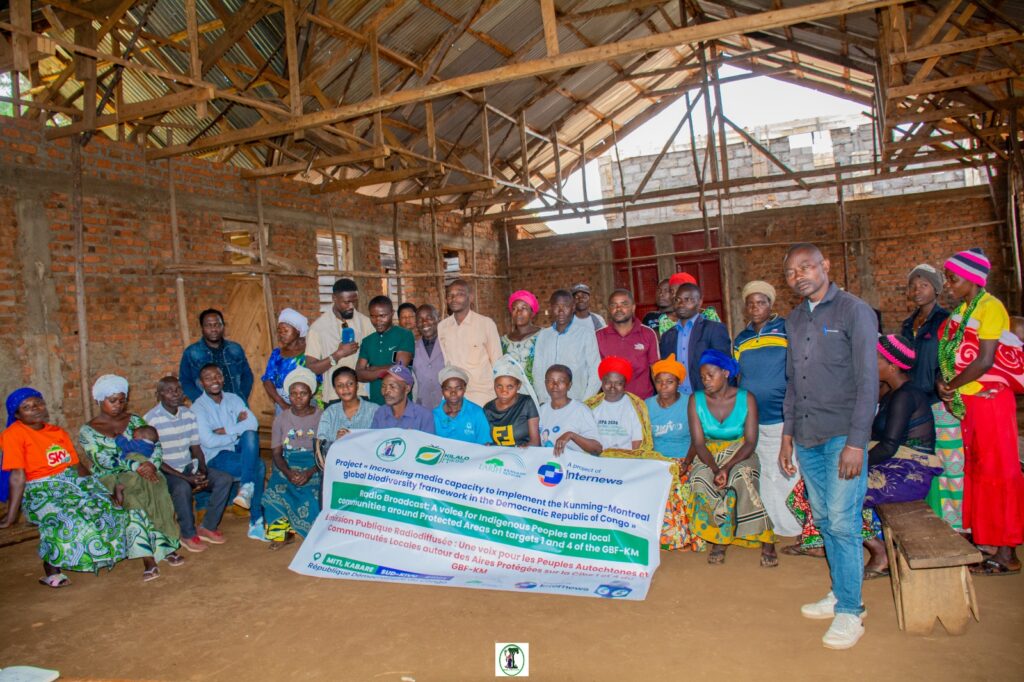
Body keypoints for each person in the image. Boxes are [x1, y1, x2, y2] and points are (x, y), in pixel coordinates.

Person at [778, 243, 878, 650]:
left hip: (842, 435)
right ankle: (841, 592)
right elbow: (792, 384)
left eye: (806, 267)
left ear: (826, 266)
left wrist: (856, 442)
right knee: (823, 518)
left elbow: (869, 382)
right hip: (806, 435)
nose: (799, 275)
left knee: (842, 521)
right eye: (790, 273)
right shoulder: (794, 318)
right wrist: (787, 436)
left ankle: (851, 612)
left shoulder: (854, 311)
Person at [785, 335, 942, 577]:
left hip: (908, 475)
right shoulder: (891, 393)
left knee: (836, 492)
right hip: (891, 466)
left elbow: (889, 447)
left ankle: (879, 552)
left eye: (874, 360)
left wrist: (849, 463)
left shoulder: (905, 396)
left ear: (892, 366)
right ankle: (827, 542)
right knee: (811, 487)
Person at [936, 248, 1024, 576]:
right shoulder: (961, 311)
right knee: (977, 471)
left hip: (991, 402)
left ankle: (1007, 552)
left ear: (973, 279)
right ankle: (987, 541)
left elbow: (985, 359)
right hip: (970, 402)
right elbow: (949, 355)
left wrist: (952, 384)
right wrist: (944, 384)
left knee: (1000, 472)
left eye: (953, 278)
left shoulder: (991, 308)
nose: (948, 284)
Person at [1, 388, 128, 587]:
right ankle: (51, 571)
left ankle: (99, 557)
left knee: (108, 509)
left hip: (70, 485)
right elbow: (17, 476)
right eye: (26, 407)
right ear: (17, 414)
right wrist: (11, 516)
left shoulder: (56, 432)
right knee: (69, 518)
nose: (35, 409)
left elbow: (76, 465)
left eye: (38, 404)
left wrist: (99, 490)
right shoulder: (13, 434)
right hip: (40, 491)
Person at [78, 375, 184, 581]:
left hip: (147, 469)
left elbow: (156, 444)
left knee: (158, 494)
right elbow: (102, 460)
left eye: (121, 400)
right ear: (99, 400)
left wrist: (152, 464)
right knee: (133, 500)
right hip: (112, 476)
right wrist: (136, 465)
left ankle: (167, 547)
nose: (118, 405)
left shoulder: (134, 420)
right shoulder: (88, 431)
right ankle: (148, 559)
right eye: (112, 400)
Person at [687, 349, 776, 567]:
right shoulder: (695, 400)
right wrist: (716, 469)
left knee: (740, 477)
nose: (706, 381)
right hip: (709, 454)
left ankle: (766, 536)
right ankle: (721, 537)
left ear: (726, 373)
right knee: (699, 479)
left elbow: (750, 442)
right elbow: (699, 443)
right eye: (703, 377)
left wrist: (726, 467)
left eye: (711, 375)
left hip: (740, 453)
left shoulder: (747, 398)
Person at [733, 280, 801, 537]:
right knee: (766, 472)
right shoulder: (741, 339)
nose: (755, 307)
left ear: (771, 304)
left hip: (784, 416)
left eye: (761, 302)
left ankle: (796, 527)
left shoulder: (786, 329)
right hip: (754, 418)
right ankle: (772, 523)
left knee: (789, 470)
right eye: (750, 303)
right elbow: (737, 378)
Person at [898, 264, 960, 530]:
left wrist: (944, 384)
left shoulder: (946, 321)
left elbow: (955, 359)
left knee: (948, 464)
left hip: (938, 402)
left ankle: (955, 525)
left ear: (936, 288)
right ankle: (931, 518)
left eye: (923, 285)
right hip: (914, 403)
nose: (917, 290)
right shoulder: (907, 324)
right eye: (913, 285)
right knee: (922, 462)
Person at [145, 376, 233, 553]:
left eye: (178, 389)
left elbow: (195, 447)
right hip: (166, 471)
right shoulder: (151, 420)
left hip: (187, 467)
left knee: (224, 479)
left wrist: (202, 469)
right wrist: (187, 478)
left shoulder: (188, 414)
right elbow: (155, 460)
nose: (175, 394)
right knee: (182, 488)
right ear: (159, 394)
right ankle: (187, 534)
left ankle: (207, 526)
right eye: (169, 390)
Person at [192, 364, 266, 541]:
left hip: (239, 449)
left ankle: (246, 489)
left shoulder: (234, 399)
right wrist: (235, 432)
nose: (214, 381)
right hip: (216, 457)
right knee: (259, 465)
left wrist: (224, 430)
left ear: (223, 378)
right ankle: (256, 520)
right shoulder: (198, 408)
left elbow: (253, 424)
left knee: (250, 434)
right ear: (202, 383)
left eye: (217, 376)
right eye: (208, 378)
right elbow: (208, 442)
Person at [263, 368, 322, 548]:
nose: (298, 398)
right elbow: (276, 453)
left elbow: (325, 451)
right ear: (288, 395)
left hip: (315, 464)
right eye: (293, 394)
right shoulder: (281, 419)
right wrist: (288, 472)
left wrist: (309, 472)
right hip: (287, 463)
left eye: (303, 393)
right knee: (274, 491)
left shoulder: (321, 416)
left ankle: (315, 535)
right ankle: (281, 535)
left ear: (310, 393)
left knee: (310, 495)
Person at [437, 279, 503, 406]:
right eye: (450, 295)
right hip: (453, 396)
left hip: (482, 395)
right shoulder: (442, 327)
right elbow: (446, 362)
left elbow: (497, 363)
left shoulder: (486, 324)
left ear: (470, 297)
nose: (454, 298)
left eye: (460, 294)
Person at [658, 281, 731, 394]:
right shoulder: (668, 336)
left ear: (699, 302)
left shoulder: (714, 329)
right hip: (678, 400)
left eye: (688, 300)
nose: (681, 304)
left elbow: (726, 367)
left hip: (707, 398)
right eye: (677, 300)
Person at [306, 278, 370, 404]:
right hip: (333, 397)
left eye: (354, 302)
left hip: (361, 394)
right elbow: (312, 367)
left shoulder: (366, 323)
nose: (351, 306)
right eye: (346, 302)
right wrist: (338, 354)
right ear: (334, 298)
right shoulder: (318, 328)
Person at [532, 289, 601, 402]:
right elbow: (537, 371)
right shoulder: (543, 336)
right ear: (551, 308)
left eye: (565, 306)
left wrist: (585, 402)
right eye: (556, 306)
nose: (560, 311)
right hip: (549, 403)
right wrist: (543, 399)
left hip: (577, 401)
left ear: (573, 307)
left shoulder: (586, 334)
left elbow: (595, 371)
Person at [179, 308, 254, 403]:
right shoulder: (191, 352)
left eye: (217, 324)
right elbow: (185, 381)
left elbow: (247, 376)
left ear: (223, 326)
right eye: (208, 325)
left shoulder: (235, 349)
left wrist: (240, 398)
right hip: (207, 409)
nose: (214, 329)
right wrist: (201, 402)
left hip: (236, 405)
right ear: (202, 328)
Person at [596, 289, 659, 399]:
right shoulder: (598, 336)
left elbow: (656, 371)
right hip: (610, 403)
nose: (618, 309)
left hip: (643, 401)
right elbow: (594, 373)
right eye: (614, 305)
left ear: (633, 307)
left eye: (624, 304)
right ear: (609, 309)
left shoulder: (648, 333)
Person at [356, 295, 414, 405]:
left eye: (382, 315)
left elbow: (400, 369)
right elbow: (358, 374)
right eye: (373, 316)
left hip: (401, 404)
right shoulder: (367, 341)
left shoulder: (405, 335)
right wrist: (383, 370)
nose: (377, 320)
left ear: (392, 313)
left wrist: (372, 369)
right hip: (375, 404)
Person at [585, 356, 647, 452]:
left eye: (618, 383)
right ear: (601, 382)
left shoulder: (635, 406)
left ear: (625, 384)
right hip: (596, 458)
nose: (612, 387)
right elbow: (585, 436)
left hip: (625, 460)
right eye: (608, 382)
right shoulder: (591, 405)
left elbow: (637, 441)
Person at [316, 367, 379, 461]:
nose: (345, 388)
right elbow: (320, 447)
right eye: (340, 385)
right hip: (337, 468)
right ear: (335, 389)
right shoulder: (329, 413)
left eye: (350, 383)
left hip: (367, 468)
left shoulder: (375, 410)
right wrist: (335, 441)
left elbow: (380, 442)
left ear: (357, 385)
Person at [538, 365, 603, 455]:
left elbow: (597, 449)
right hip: (548, 465)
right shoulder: (541, 410)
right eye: (550, 380)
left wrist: (571, 435)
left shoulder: (580, 410)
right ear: (545, 384)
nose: (555, 385)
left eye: (561, 381)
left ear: (569, 385)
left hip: (574, 466)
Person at [261, 308, 313, 413]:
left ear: (298, 331)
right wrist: (282, 404)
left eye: (286, 330)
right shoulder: (276, 354)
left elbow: (318, 379)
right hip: (282, 404)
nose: (281, 334)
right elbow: (267, 380)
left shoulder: (310, 352)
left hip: (309, 402)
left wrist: (302, 401)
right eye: (279, 331)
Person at [485, 355, 540, 447]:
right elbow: (487, 441)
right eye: (499, 386)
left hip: (522, 456)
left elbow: (535, 442)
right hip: (498, 457)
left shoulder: (527, 403)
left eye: (510, 387)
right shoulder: (488, 409)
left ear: (518, 386)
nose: (504, 392)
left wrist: (522, 450)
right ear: (494, 385)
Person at [645, 355, 690, 459]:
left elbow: (698, 440)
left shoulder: (689, 404)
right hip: (656, 460)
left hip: (684, 458)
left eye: (670, 382)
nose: (663, 386)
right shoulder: (647, 405)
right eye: (659, 381)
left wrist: (687, 462)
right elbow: (645, 440)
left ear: (679, 383)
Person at [433, 366, 492, 445]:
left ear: (464, 388)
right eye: (448, 388)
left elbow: (485, 444)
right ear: (442, 390)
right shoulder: (434, 415)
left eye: (458, 388)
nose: (453, 393)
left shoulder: (476, 413)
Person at [370, 364, 435, 433]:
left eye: (392, 386)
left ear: (407, 389)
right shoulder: (380, 413)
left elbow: (428, 443)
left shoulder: (423, 416)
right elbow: (375, 441)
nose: (386, 391)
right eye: (383, 386)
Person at [501, 290, 542, 389]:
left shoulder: (543, 336)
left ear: (532, 313)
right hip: (512, 396)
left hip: (538, 394)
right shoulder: (503, 341)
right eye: (514, 309)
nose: (518, 312)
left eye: (524, 308)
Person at [412, 304, 445, 411]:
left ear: (438, 319)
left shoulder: (448, 344)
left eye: (429, 318)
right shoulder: (413, 348)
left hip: (446, 405)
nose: (424, 322)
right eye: (420, 320)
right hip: (422, 407)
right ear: (416, 324)